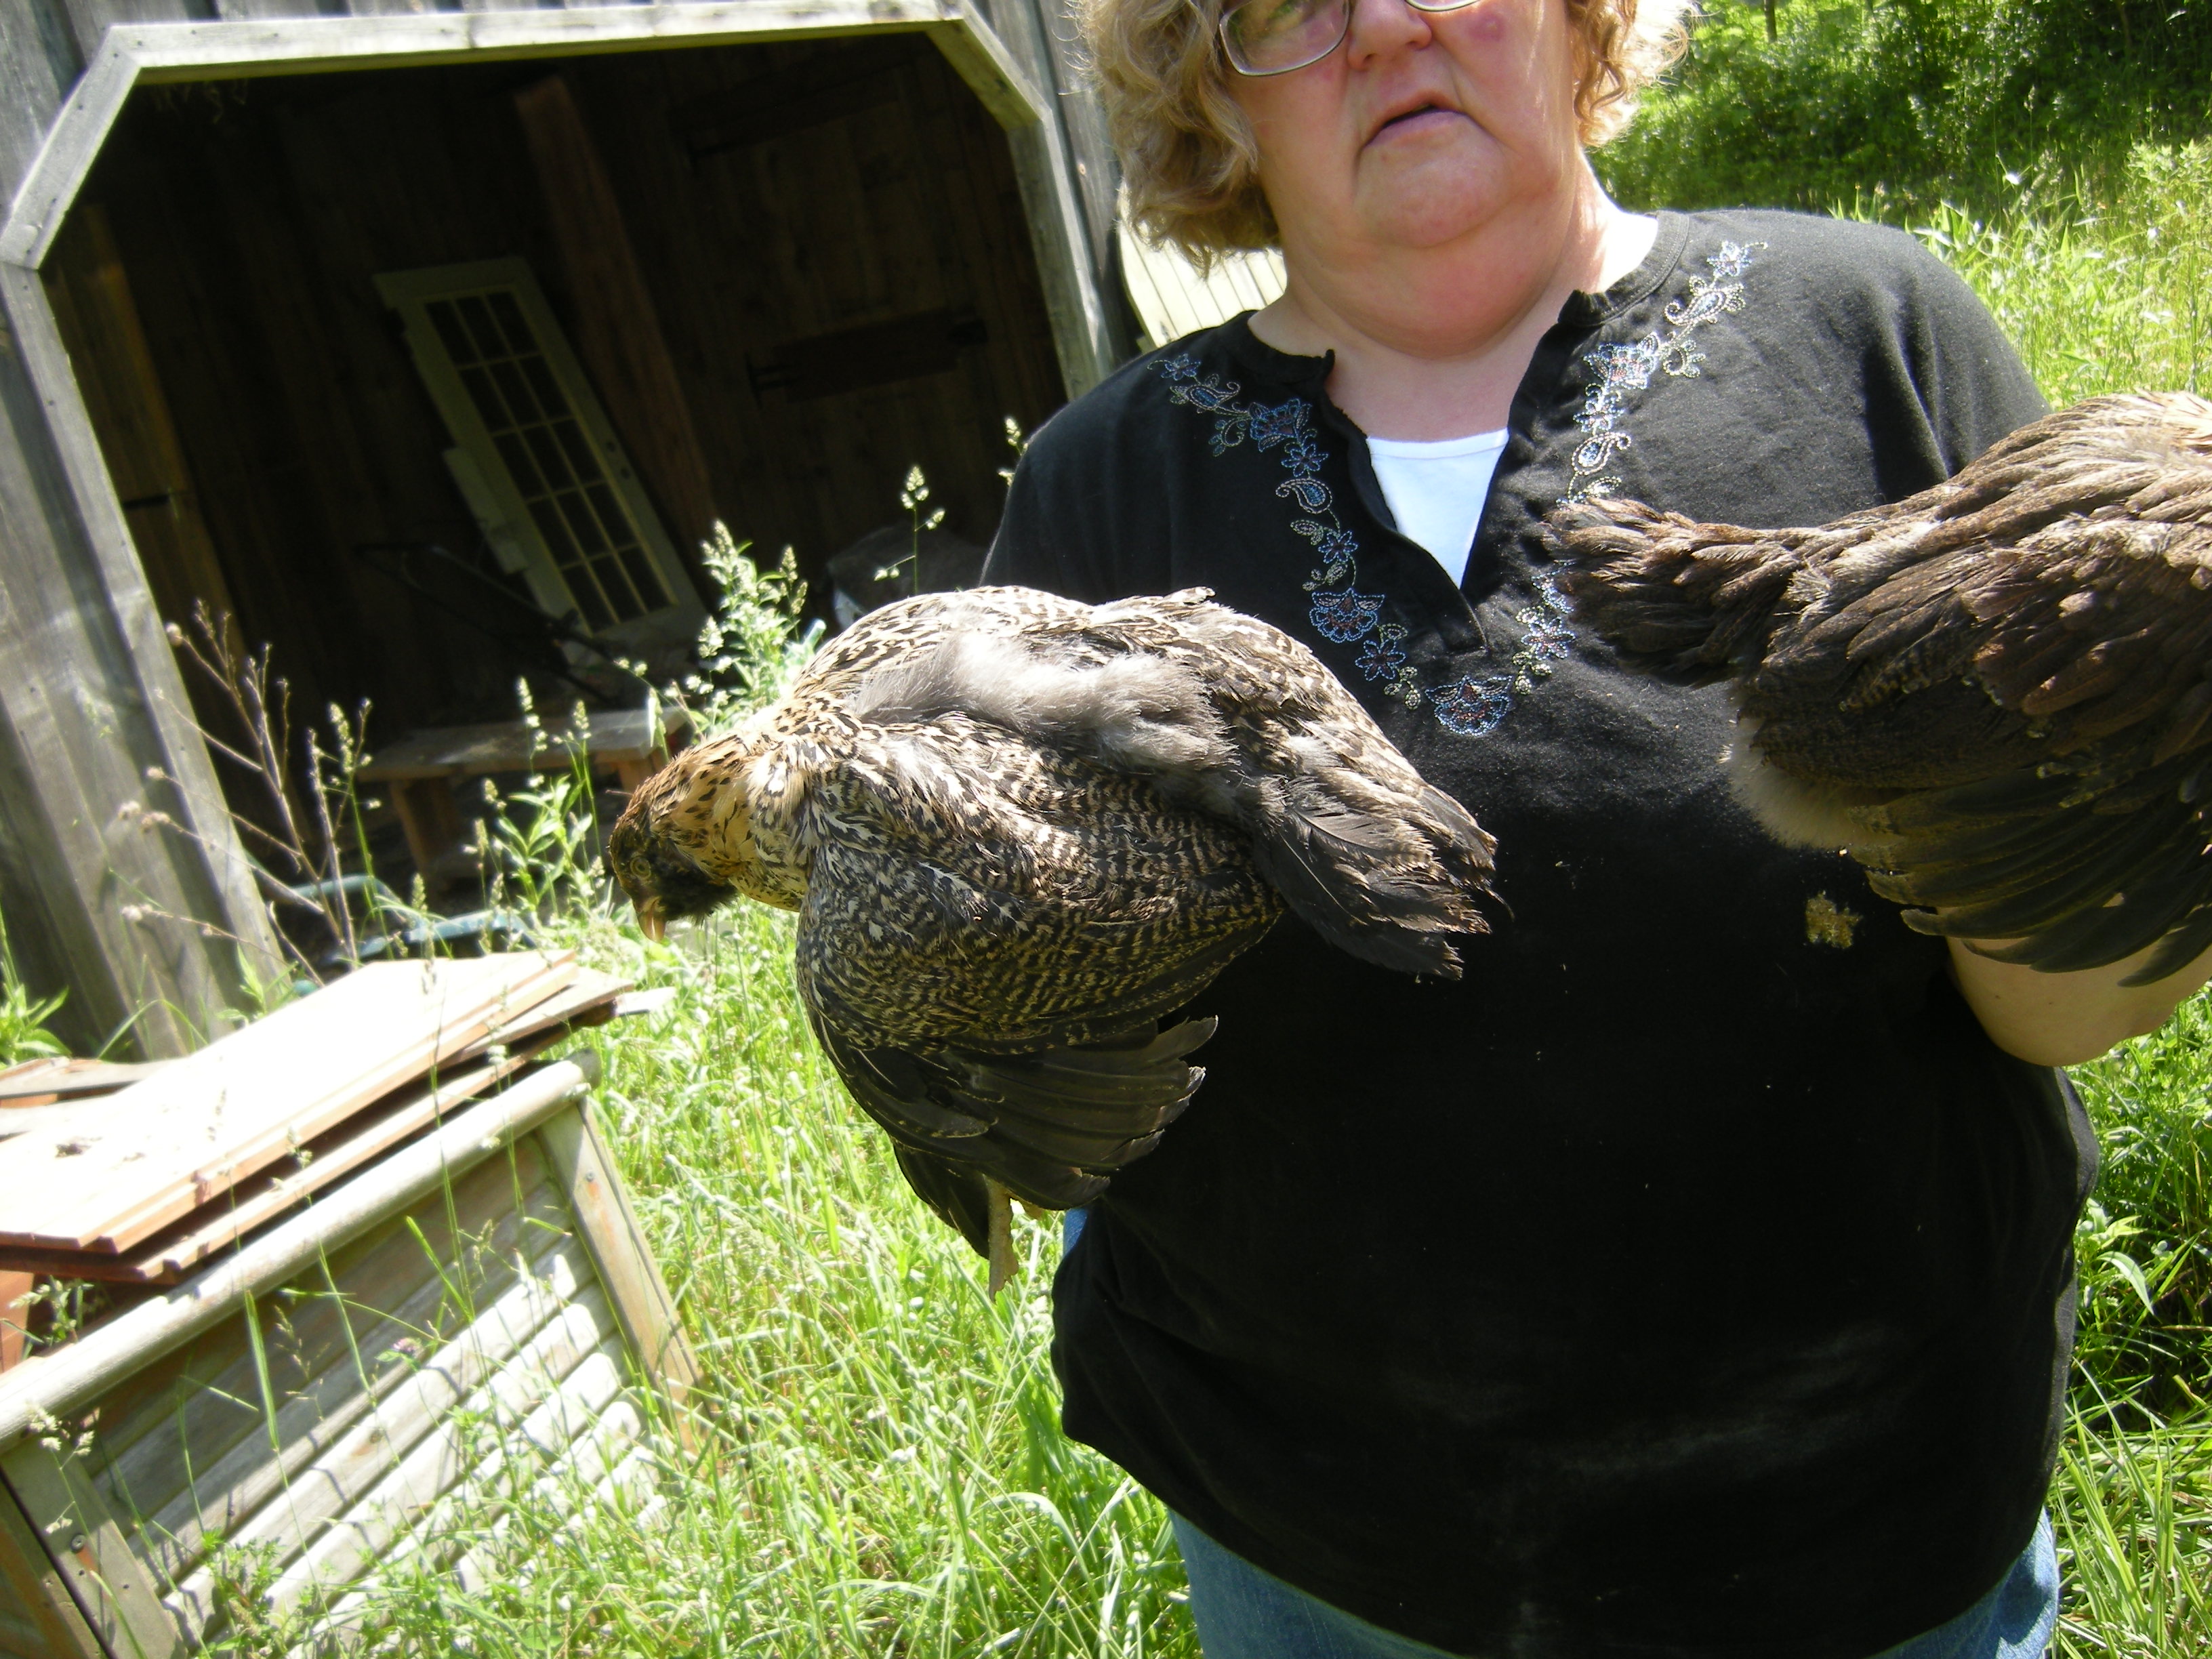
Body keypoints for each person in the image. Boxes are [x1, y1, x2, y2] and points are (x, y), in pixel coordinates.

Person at [980, 1, 2212, 1656]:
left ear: (1582, 23)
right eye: (1291, 6)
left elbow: (2055, 1004)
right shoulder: (1100, 488)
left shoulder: (1871, 331)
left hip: (1864, 1545)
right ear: (1216, 95)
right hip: (1323, 1559)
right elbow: (1044, 1035)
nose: (1390, 27)